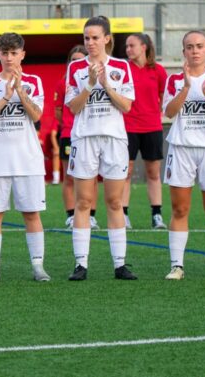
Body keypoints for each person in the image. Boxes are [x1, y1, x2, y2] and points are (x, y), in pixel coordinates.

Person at [0, 33, 51, 282]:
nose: (9, 58)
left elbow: (37, 116)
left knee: (31, 213)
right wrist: (5, 96)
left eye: (14, 53)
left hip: (28, 160)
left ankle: (38, 266)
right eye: (4, 53)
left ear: (22, 54)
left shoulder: (34, 81)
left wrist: (19, 91)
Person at [65, 16, 136, 281]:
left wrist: (106, 84)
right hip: (84, 139)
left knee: (114, 201)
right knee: (83, 202)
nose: (90, 43)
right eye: (86, 38)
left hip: (114, 140)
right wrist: (90, 84)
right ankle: (80, 264)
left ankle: (120, 264)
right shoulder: (76, 69)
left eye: (95, 38)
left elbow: (127, 106)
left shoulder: (121, 67)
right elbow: (73, 108)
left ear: (107, 38)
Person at [162, 31, 205, 280]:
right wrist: (186, 87)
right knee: (180, 209)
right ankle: (177, 266)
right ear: (184, 52)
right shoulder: (174, 80)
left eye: (199, 46)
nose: (195, 51)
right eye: (190, 47)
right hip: (181, 149)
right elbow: (169, 113)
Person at [123, 33, 168, 230]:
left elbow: (163, 96)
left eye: (132, 45)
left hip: (152, 127)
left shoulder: (158, 71)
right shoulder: (123, 69)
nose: (128, 50)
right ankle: (123, 215)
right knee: (126, 172)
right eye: (126, 46)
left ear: (144, 47)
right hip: (127, 127)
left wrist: (152, 113)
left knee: (153, 172)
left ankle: (156, 215)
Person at [54, 45, 99, 229]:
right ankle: (71, 215)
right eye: (74, 60)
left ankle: (92, 215)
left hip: (89, 133)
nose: (77, 63)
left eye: (81, 60)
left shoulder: (96, 81)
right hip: (69, 134)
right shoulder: (63, 82)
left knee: (92, 176)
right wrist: (68, 122)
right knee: (70, 177)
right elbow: (58, 110)